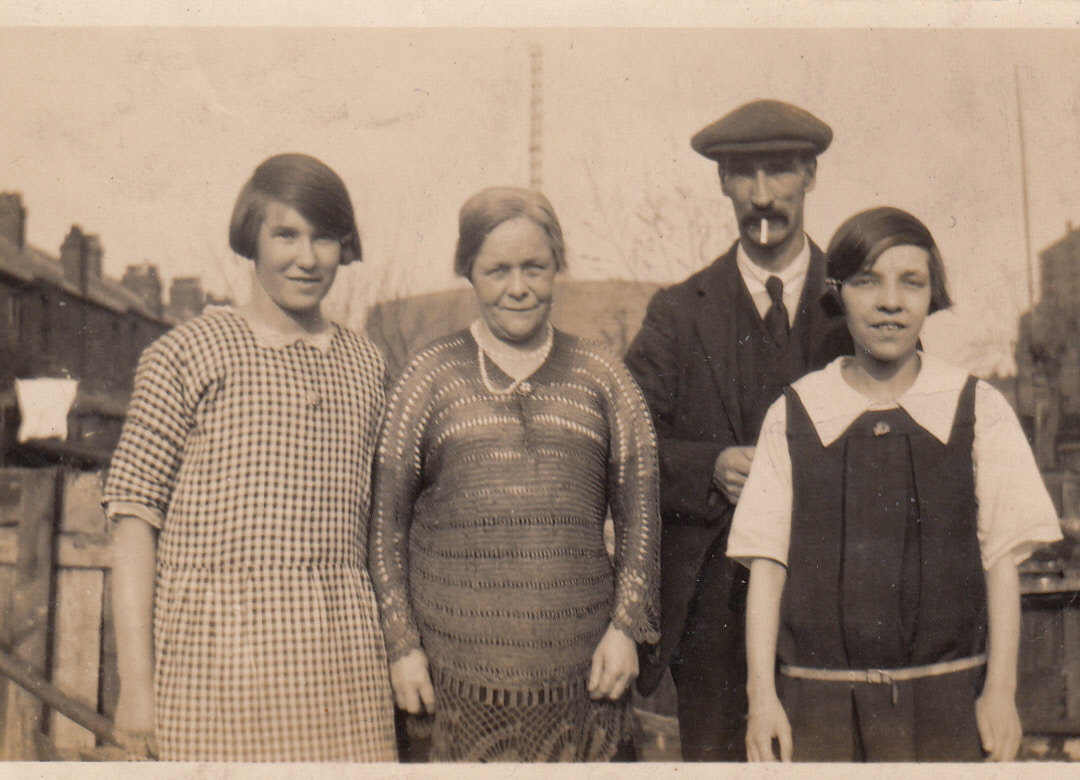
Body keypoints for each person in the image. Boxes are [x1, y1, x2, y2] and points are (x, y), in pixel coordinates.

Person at [729, 206, 1064, 762]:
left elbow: (1002, 561)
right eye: (868, 282)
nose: (891, 302)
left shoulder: (977, 408)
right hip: (819, 708)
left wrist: (1000, 692)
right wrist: (762, 699)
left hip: (949, 703)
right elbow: (767, 566)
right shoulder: (795, 414)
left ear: (933, 293)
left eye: (911, 282)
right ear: (838, 293)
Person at [103, 153, 397, 761]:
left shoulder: (367, 365)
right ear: (251, 238)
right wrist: (136, 687)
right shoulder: (187, 353)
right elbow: (133, 521)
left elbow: (380, 529)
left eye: (324, 237)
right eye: (285, 234)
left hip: (342, 669)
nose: (307, 258)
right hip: (218, 667)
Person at [369, 186, 660, 762]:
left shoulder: (603, 376)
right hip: (452, 686)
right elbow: (385, 529)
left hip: (585, 684)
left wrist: (626, 629)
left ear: (558, 267)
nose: (518, 287)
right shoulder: (426, 377)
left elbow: (641, 521)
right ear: (468, 272)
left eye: (535, 267)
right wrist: (401, 647)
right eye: (497, 270)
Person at [623, 99, 853, 761]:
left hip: (838, 600)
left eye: (778, 171)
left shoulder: (861, 301)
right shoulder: (676, 313)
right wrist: (710, 466)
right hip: (715, 615)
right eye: (743, 175)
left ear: (810, 175)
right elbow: (629, 443)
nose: (762, 196)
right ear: (722, 182)